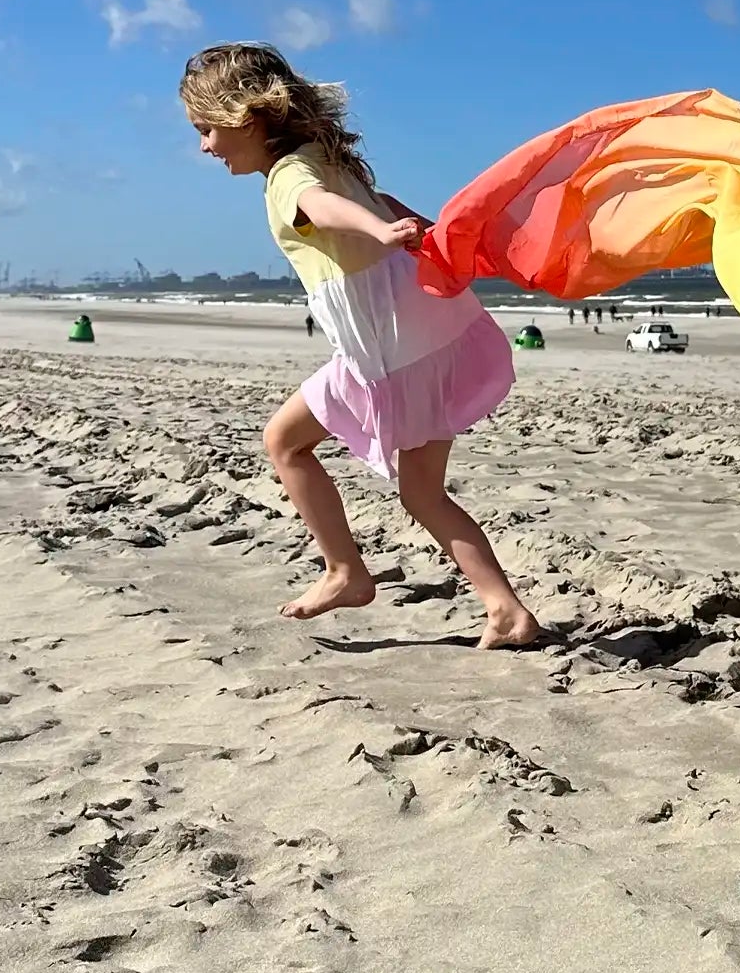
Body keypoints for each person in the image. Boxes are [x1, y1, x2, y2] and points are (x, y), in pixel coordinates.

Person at [179, 43, 540, 646]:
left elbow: (321, 209)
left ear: (247, 117)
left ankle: (345, 571)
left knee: (284, 443)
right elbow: (380, 205)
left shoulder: (289, 176)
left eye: (206, 129)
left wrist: (377, 230)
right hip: (431, 329)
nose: (204, 147)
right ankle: (505, 610)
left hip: (387, 344)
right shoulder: (324, 157)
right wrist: (412, 228)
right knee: (421, 488)